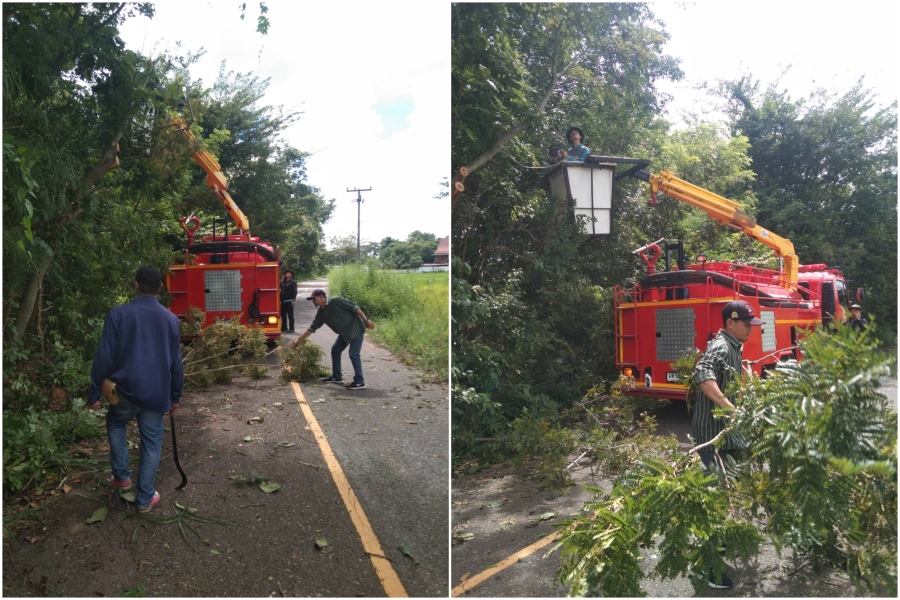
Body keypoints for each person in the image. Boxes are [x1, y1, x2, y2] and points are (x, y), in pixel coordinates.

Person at [87, 267, 184, 513]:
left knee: (116, 424)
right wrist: (175, 397)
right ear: (160, 288)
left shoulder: (118, 314)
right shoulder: (171, 319)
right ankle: (144, 499)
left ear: (136, 285)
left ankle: (121, 477)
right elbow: (175, 364)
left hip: (124, 393)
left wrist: (94, 393)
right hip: (155, 394)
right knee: (151, 444)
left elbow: (103, 357)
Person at [691, 299, 763, 589]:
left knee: (731, 491)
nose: (751, 329)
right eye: (747, 324)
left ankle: (713, 548)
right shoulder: (721, 346)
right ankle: (707, 567)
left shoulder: (734, 345)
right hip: (714, 436)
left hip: (728, 434)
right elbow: (702, 372)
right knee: (719, 500)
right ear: (730, 322)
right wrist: (729, 406)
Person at [291, 289, 375, 390]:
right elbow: (312, 328)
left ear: (321, 297)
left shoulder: (336, 301)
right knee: (335, 350)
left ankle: (360, 382)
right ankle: (337, 376)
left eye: (314, 299)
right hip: (344, 333)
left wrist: (366, 320)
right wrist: (299, 339)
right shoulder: (321, 312)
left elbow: (354, 307)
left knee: (354, 355)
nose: (312, 301)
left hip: (356, 328)